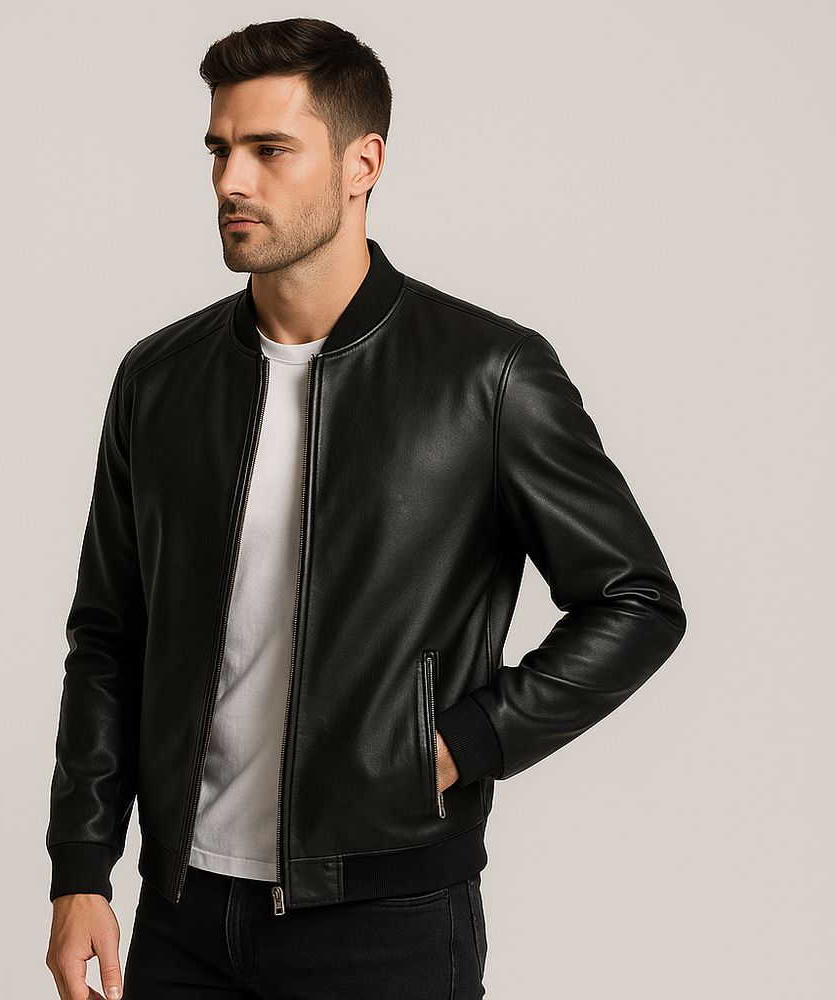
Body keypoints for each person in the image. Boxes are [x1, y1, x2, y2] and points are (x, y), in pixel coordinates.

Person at [46, 17, 686, 1000]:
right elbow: (108, 635)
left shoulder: (486, 376)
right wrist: (82, 866)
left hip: (388, 924)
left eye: (269, 150)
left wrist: (458, 743)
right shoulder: (160, 380)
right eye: (219, 149)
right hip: (182, 914)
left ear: (363, 164)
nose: (230, 181)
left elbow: (636, 600)